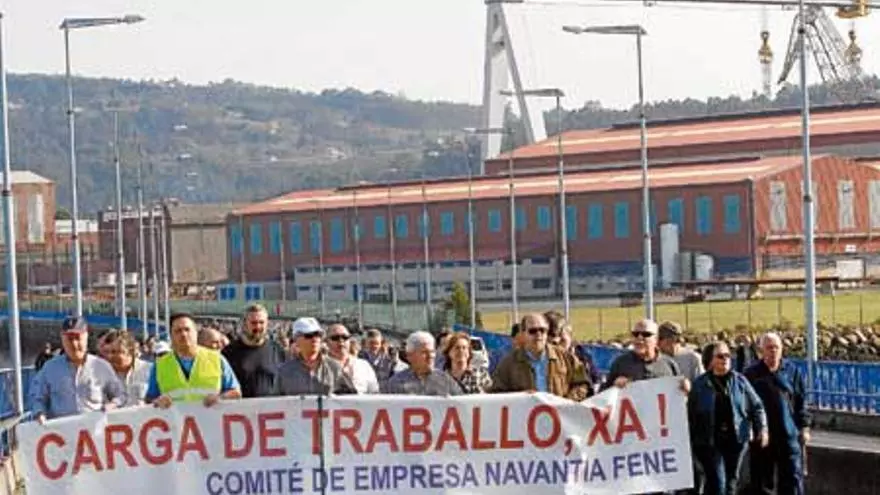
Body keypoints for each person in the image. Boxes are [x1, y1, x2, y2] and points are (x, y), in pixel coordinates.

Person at [688, 342, 768, 495]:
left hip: (737, 440)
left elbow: (757, 406)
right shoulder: (700, 385)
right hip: (711, 442)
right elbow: (691, 414)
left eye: (727, 356)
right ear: (711, 360)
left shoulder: (740, 381)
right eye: (720, 356)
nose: (725, 359)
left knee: (732, 482)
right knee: (718, 483)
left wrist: (762, 429)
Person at [745, 332, 811, 495]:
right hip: (763, 437)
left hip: (788, 435)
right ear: (761, 351)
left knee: (792, 482)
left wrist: (805, 428)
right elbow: (745, 406)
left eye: (776, 347)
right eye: (769, 348)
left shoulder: (792, 371)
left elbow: (801, 401)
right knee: (762, 484)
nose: (773, 351)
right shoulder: (751, 374)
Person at [30, 317, 126, 422]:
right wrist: (39, 413)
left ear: (86, 337)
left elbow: (120, 395)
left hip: (94, 429)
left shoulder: (102, 367)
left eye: (78, 338)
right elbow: (37, 397)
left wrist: (112, 405)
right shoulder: (49, 368)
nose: (74, 344)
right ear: (62, 339)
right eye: (69, 339)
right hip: (61, 430)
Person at [146, 312, 242, 408]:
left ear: (196, 333)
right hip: (175, 418)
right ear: (171, 336)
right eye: (178, 331)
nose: (183, 334)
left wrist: (220, 397)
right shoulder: (160, 365)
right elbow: (149, 399)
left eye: (187, 329)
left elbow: (236, 393)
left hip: (211, 417)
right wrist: (157, 401)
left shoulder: (217, 359)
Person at [491, 313, 589, 401]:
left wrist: (567, 402)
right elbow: (497, 393)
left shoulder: (565, 357)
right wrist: (520, 397)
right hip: (525, 414)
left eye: (542, 330)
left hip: (560, 414)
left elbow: (582, 382)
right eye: (532, 331)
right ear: (523, 333)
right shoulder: (509, 363)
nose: (538, 334)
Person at [275, 317, 356, 396]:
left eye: (318, 335)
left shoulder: (334, 368)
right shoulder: (284, 372)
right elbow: (275, 401)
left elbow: (351, 398)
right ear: (296, 340)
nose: (314, 339)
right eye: (309, 335)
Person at [602, 319, 688, 392]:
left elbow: (679, 397)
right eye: (635, 334)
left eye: (646, 334)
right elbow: (602, 397)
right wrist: (614, 386)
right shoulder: (621, 363)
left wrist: (685, 389)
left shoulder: (669, 364)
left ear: (656, 339)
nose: (639, 338)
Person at [222, 304, 286, 398]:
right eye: (254, 323)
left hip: (271, 406)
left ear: (267, 324)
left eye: (261, 322)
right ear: (244, 324)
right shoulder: (229, 352)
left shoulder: (277, 350)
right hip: (240, 406)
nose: (258, 326)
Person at [383, 331, 463, 396]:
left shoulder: (445, 380)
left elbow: (461, 403)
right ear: (410, 356)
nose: (431, 356)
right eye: (424, 352)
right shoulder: (396, 383)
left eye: (432, 352)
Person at [103, 329, 153, 407]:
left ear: (130, 351)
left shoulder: (150, 370)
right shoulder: (103, 377)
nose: (110, 356)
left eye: (114, 352)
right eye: (107, 352)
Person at [326, 324, 379, 394]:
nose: (341, 341)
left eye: (345, 337)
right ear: (326, 342)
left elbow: (374, 393)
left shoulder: (364, 365)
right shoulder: (319, 366)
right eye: (335, 338)